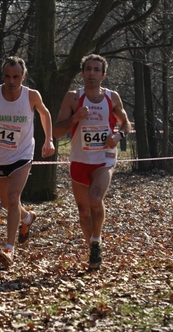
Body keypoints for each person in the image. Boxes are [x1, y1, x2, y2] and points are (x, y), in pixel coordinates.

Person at [0, 56, 55, 267]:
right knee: (7, 203)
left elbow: (45, 114)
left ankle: (9, 248)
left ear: (23, 76)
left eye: (16, 76)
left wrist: (49, 140)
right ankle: (27, 218)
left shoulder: (31, 96)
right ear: (3, 76)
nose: (11, 81)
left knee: (14, 195)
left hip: (23, 154)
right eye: (7, 76)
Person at [53, 54, 131, 270]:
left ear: (103, 75)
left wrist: (118, 137)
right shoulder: (72, 98)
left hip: (104, 159)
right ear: (82, 73)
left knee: (95, 198)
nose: (92, 73)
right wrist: (74, 119)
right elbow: (57, 131)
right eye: (88, 69)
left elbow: (126, 124)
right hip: (79, 159)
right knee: (83, 210)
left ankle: (96, 241)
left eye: (96, 70)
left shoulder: (112, 98)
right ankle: (93, 250)